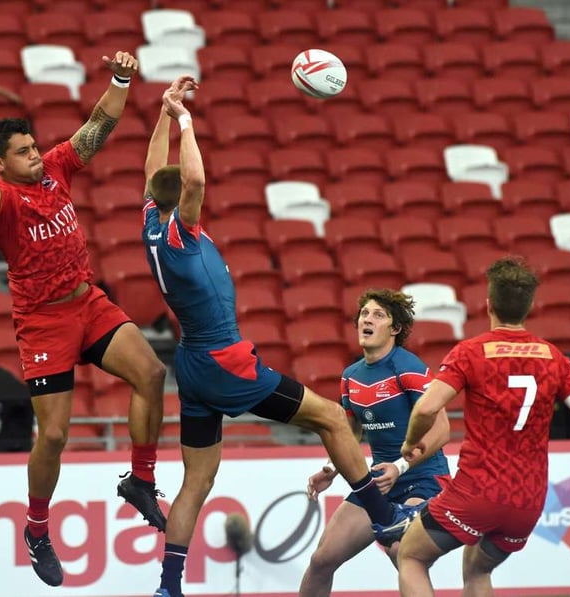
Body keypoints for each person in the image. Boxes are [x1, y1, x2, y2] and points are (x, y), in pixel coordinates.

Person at [142, 77, 421, 597]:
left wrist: (164, 109)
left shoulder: (151, 227)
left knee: (196, 481)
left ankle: (168, 587)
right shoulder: (180, 233)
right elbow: (195, 183)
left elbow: (153, 171)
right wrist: (185, 121)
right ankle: (384, 517)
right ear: (179, 200)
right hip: (226, 362)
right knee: (332, 417)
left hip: (193, 365)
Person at [0, 51, 167, 589]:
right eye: (21, 153)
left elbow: (99, 124)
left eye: (33, 147)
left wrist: (120, 79)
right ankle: (37, 528)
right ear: (0, 163)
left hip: (88, 302)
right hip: (43, 322)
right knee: (56, 435)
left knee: (153, 374)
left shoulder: (56, 168)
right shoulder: (4, 202)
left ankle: (140, 479)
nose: (35, 157)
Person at [395, 257, 570, 597]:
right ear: (528, 308)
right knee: (477, 570)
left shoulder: (471, 353)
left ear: (488, 304)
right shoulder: (553, 357)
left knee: (411, 556)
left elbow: (426, 407)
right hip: (527, 500)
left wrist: (410, 443)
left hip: (478, 492)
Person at [300, 289, 452, 597]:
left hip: (423, 480)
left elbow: (443, 429)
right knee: (320, 561)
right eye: (364, 314)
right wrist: (331, 467)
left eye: (378, 315)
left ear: (395, 329)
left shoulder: (408, 368)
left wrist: (401, 466)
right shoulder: (350, 376)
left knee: (403, 553)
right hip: (378, 483)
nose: (367, 319)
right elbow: (348, 430)